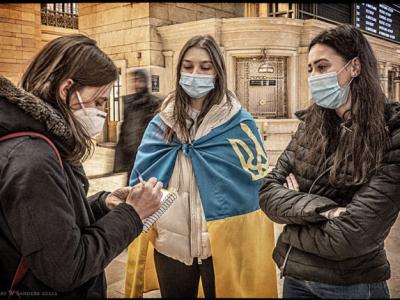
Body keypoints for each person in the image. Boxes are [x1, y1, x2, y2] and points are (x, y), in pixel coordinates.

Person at [0, 34, 163, 298]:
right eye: (98, 101)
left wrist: (102, 204)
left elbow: (51, 226)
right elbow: (67, 268)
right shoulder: (34, 159)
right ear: (66, 90)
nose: (104, 112)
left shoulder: (45, 144)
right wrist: (132, 215)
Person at [124, 35, 277, 298]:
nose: (196, 74)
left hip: (223, 248)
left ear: (218, 72)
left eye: (205, 67)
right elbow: (143, 180)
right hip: (171, 246)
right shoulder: (161, 124)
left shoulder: (239, 124)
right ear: (179, 70)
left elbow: (255, 188)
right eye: (188, 66)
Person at [259, 24, 400, 299]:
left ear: (355, 67)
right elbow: (268, 193)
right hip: (296, 280)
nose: (313, 77)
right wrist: (326, 210)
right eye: (310, 69)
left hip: (353, 284)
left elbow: (353, 235)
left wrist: (291, 225)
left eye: (322, 67)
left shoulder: (391, 132)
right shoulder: (311, 124)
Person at [113, 69, 160, 184]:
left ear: (146, 82)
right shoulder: (129, 103)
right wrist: (119, 158)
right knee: (131, 186)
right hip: (130, 157)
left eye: (141, 81)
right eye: (135, 81)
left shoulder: (153, 103)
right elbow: (124, 130)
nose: (137, 84)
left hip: (146, 156)